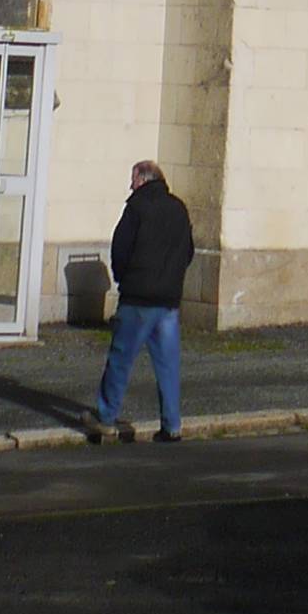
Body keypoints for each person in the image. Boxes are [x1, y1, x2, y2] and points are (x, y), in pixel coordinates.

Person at [91, 157, 194, 442]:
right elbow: (188, 251)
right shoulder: (178, 208)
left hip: (138, 298)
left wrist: (123, 278)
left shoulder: (136, 207)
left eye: (133, 179)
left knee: (120, 360)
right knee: (168, 366)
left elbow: (121, 248)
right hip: (168, 300)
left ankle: (106, 418)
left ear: (143, 179)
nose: (131, 185)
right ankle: (172, 426)